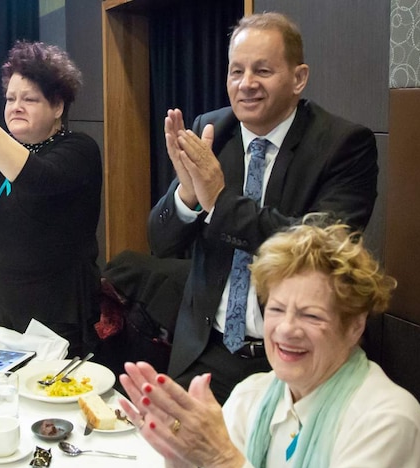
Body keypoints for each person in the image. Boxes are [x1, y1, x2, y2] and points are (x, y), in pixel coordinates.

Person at [119, 222, 420, 468]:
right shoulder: (252, 396)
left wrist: (222, 458)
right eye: (276, 310)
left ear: (355, 326)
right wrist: (181, 464)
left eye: (311, 315)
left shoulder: (388, 422)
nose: (286, 329)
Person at [148, 13, 379, 405]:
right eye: (236, 70)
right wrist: (187, 195)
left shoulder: (343, 144)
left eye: (263, 70)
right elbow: (160, 241)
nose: (246, 83)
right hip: (203, 351)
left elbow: (318, 251)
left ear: (298, 78)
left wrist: (218, 201)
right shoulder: (211, 130)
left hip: (290, 363)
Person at [0, 41, 102, 358]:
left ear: (57, 107)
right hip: (2, 306)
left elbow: (35, 178)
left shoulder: (79, 149)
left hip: (58, 312)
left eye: (29, 99)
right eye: (11, 98)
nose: (16, 106)